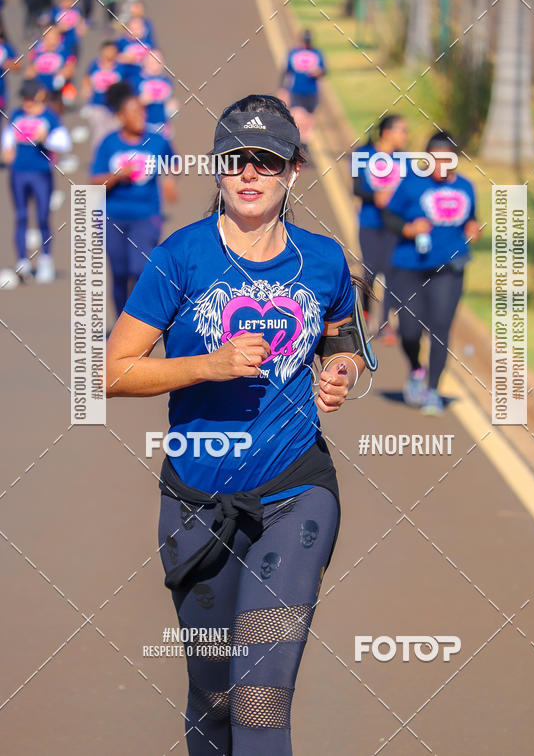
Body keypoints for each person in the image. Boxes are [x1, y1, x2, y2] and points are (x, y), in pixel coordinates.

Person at [105, 94, 372, 755]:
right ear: (217, 169)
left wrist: (339, 373)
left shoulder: (324, 261)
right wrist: (208, 365)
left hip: (295, 492)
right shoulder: (181, 258)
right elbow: (111, 372)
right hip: (197, 504)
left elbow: (342, 340)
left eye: (266, 161)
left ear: (292, 171)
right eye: (235, 161)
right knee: (215, 699)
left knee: (260, 697)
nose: (249, 173)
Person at [383, 130, 481, 415]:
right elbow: (389, 216)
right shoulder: (411, 185)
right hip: (409, 266)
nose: (441, 166)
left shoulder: (466, 187)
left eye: (447, 160)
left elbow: (472, 219)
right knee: (410, 331)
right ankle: (416, 369)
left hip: (450, 266)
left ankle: (434, 389)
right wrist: (408, 229)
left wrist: (473, 229)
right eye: (434, 160)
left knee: (440, 327)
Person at [88, 81, 177, 319]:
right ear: (120, 116)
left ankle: (141, 323)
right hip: (113, 215)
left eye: (142, 111)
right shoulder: (109, 143)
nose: (141, 116)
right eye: (134, 112)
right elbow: (94, 182)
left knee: (140, 269)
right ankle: (120, 325)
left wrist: (169, 180)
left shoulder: (157, 141)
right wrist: (117, 176)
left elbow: (172, 162)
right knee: (119, 273)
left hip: (146, 214)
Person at [2, 78, 71, 282]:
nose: (25, 102)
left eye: (28, 98)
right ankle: (22, 261)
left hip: (40, 173)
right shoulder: (16, 114)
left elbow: (63, 143)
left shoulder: (50, 117)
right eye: (24, 98)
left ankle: (46, 260)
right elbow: (7, 139)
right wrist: (7, 151)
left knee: (42, 216)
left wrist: (46, 138)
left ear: (38, 97)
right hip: (18, 173)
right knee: (21, 215)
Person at [352, 114, 408, 345]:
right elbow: (357, 188)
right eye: (402, 130)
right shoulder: (362, 155)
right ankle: (364, 316)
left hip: (394, 225)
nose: (406, 136)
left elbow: (410, 190)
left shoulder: (405, 159)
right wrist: (376, 195)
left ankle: (385, 323)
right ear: (386, 132)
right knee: (370, 272)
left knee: (391, 271)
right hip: (369, 222)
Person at [279, 30, 326, 146]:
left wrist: (318, 73)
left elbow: (324, 70)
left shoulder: (317, 54)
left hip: (311, 92)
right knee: (298, 119)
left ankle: (305, 147)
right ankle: (297, 145)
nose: (306, 44)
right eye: (305, 41)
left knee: (309, 122)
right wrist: (282, 89)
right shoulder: (293, 53)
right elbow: (285, 72)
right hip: (296, 91)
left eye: (308, 41)